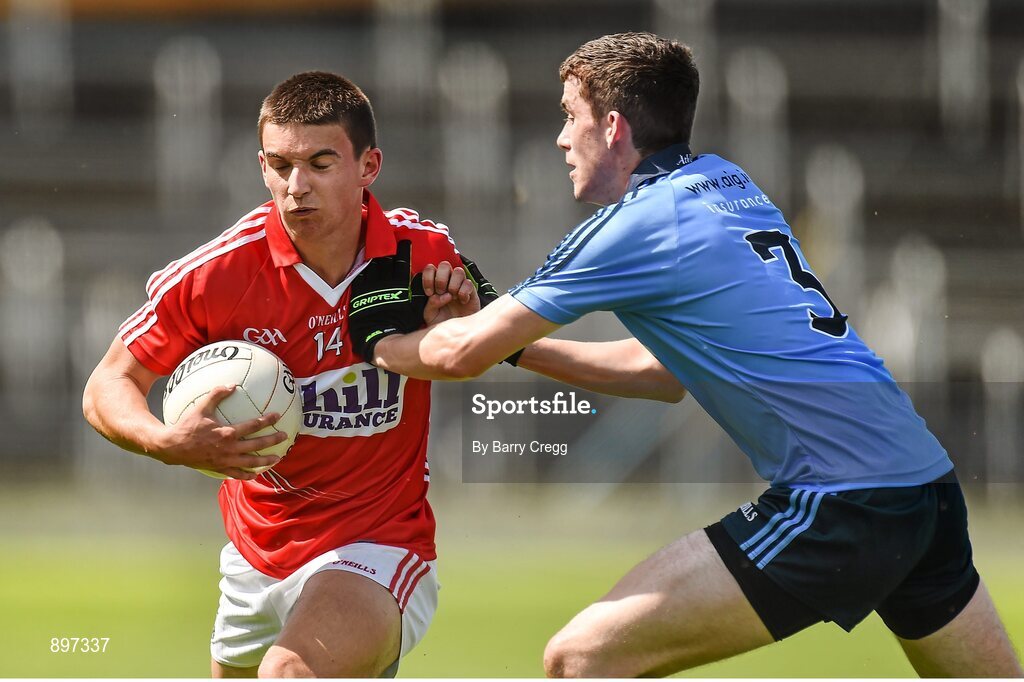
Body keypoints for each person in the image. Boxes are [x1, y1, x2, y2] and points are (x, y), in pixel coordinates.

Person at [347, 33, 1023, 677]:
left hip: (844, 499)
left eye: (569, 117)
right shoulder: (726, 181)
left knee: (582, 659)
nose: (560, 138)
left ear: (612, 128)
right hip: (923, 486)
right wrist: (516, 349)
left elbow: (461, 353)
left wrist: (378, 339)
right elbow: (665, 375)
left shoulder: (634, 226)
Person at [82, 71, 467, 678]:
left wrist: (460, 328)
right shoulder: (217, 274)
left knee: (289, 674)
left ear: (368, 167)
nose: (297, 187)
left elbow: (486, 347)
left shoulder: (424, 256)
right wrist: (163, 441)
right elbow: (109, 383)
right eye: (281, 165)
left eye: (320, 163)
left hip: (379, 544)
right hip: (255, 555)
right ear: (262, 166)